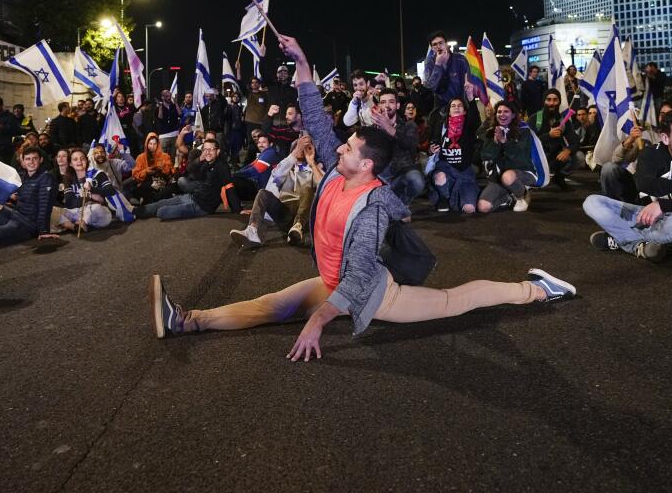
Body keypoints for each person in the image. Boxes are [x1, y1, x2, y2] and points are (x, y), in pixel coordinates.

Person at [149, 34, 576, 355]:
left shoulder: (370, 206)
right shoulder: (339, 169)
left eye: (349, 146)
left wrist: (318, 321)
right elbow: (314, 114)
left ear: (367, 164)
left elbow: (357, 277)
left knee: (454, 300)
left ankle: (538, 289)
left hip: (373, 290)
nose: (339, 146)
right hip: (333, 280)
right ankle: (187, 321)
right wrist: (300, 61)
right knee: (269, 306)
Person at [583, 109, 672, 262]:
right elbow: (643, 183)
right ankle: (640, 244)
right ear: (665, 138)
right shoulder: (652, 153)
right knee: (592, 202)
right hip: (645, 216)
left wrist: (663, 206)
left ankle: (623, 239)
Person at [229, 135, 323, 248]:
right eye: (298, 148)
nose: (301, 151)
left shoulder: (314, 169)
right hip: (285, 214)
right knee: (262, 193)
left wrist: (312, 163)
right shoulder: (285, 166)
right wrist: (294, 154)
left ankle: (297, 228)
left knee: (307, 188)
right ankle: (252, 230)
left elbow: (325, 186)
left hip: (305, 216)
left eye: (305, 148)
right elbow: (277, 175)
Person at [598, 101, 672, 203]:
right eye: (662, 115)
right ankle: (612, 209)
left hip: (660, 187)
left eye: (669, 115)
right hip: (636, 182)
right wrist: (631, 139)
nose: (664, 118)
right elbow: (616, 159)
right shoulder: (645, 135)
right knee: (609, 169)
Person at [0, 146, 57, 247]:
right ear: (23, 162)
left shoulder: (46, 178)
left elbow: (44, 206)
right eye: (28, 159)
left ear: (40, 160)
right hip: (15, 214)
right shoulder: (24, 177)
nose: (31, 162)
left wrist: (43, 231)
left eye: (35, 158)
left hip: (27, 224)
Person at [139, 139, 230, 221]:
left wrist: (238, 209)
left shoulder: (222, 167)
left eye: (211, 149)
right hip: (193, 196)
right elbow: (191, 170)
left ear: (218, 151)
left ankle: (141, 211)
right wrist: (200, 159)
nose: (207, 152)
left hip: (201, 207)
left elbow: (230, 187)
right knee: (162, 203)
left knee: (161, 212)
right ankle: (135, 212)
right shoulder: (205, 161)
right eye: (205, 149)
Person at [478, 101, 538, 213]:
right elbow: (485, 156)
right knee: (483, 207)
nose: (502, 114)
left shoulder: (524, 132)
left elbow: (519, 159)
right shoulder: (491, 131)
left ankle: (523, 195)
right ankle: (509, 198)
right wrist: (495, 143)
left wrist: (504, 142)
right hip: (498, 177)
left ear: (514, 115)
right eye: (499, 112)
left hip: (522, 172)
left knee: (508, 177)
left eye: (506, 111)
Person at [427, 97, 481, 213]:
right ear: (449, 111)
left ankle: (456, 196)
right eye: (453, 106)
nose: (456, 107)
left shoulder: (469, 127)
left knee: (469, 209)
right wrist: (431, 149)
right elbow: (433, 143)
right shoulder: (442, 126)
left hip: (464, 174)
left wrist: (471, 100)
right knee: (439, 176)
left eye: (459, 105)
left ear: (465, 111)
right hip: (446, 170)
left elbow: (475, 119)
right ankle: (444, 197)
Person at [371, 89, 424, 206]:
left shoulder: (409, 126)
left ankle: (403, 205)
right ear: (379, 105)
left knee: (416, 180)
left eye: (391, 102)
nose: (387, 105)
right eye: (383, 102)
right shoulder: (374, 128)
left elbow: (410, 143)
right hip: (381, 178)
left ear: (398, 105)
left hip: (401, 175)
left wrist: (388, 128)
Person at [56, 148, 115, 231]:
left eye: (82, 158)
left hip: (97, 212)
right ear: (70, 164)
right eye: (75, 159)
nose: (79, 161)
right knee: (53, 211)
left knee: (95, 207)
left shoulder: (98, 174)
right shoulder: (68, 178)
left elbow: (111, 191)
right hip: (77, 212)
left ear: (87, 161)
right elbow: (69, 202)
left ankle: (82, 223)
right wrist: (90, 196)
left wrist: (92, 189)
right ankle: (74, 227)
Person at [533, 89, 578, 190]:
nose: (552, 103)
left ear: (559, 102)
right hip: (538, 157)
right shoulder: (535, 119)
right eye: (548, 100)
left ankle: (559, 177)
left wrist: (568, 150)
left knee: (578, 158)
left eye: (555, 100)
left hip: (556, 156)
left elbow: (575, 141)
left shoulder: (564, 120)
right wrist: (548, 135)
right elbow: (527, 142)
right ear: (544, 101)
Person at [423, 31, 472, 111]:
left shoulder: (460, 60)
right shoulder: (429, 62)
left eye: (440, 43)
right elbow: (429, 87)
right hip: (440, 108)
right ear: (431, 48)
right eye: (435, 44)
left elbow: (468, 85)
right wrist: (438, 65)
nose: (438, 46)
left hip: (459, 106)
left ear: (446, 44)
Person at [231, 133, 281, 201]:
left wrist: (236, 174)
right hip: (259, 187)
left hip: (263, 190)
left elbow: (255, 171)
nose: (260, 145)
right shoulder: (264, 153)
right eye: (259, 142)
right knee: (230, 180)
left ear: (271, 144)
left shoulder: (270, 153)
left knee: (232, 181)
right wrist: (237, 173)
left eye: (264, 142)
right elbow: (250, 166)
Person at [130, 132, 176, 204]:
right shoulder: (140, 157)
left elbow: (170, 172)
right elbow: (135, 175)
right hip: (147, 183)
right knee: (136, 189)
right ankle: (157, 198)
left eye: (154, 144)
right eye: (150, 144)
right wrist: (146, 171)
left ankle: (151, 199)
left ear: (158, 144)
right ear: (146, 144)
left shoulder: (165, 156)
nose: (152, 146)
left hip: (162, 182)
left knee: (172, 187)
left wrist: (163, 168)